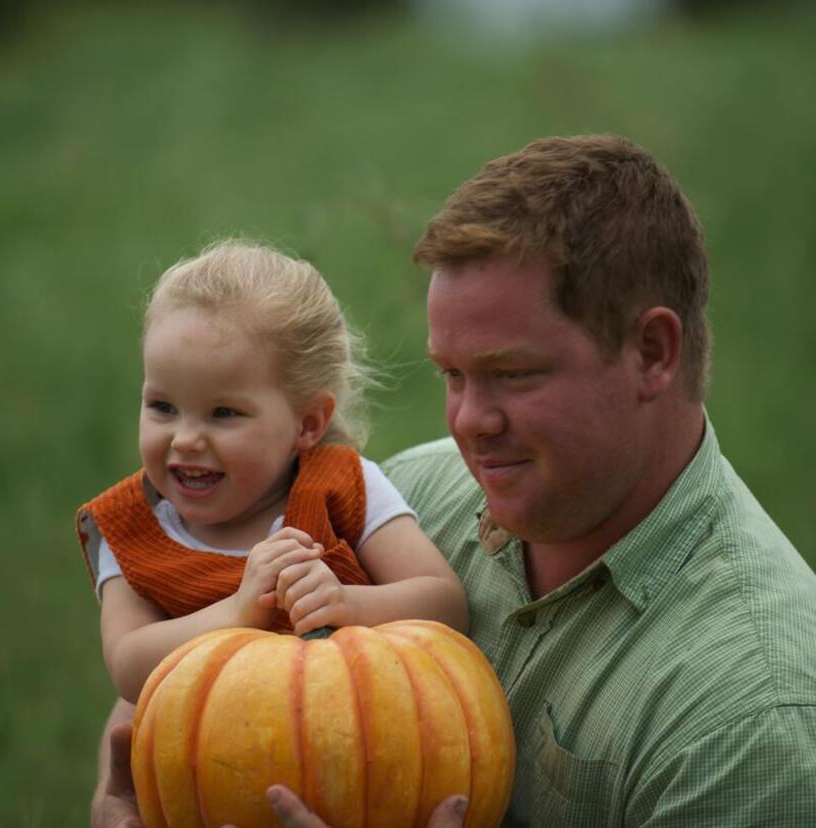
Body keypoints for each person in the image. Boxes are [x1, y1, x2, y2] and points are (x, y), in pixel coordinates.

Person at [92, 136, 816, 827]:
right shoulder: (421, 490)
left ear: (652, 353)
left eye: (511, 374)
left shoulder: (749, 716)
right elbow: (196, 659)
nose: (469, 423)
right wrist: (126, 789)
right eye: (452, 375)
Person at [77, 240, 468, 705]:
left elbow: (445, 604)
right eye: (163, 407)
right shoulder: (131, 529)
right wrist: (238, 612)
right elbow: (129, 665)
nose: (184, 439)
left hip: (360, 747)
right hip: (204, 764)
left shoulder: (344, 483)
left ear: (307, 424)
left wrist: (349, 604)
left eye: (223, 413)